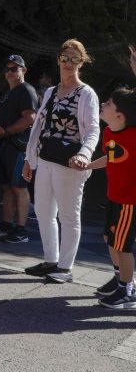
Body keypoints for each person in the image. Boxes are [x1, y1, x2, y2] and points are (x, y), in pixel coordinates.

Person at [21, 40, 99, 283]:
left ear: (81, 62)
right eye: (65, 58)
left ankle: (65, 268)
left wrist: (85, 154)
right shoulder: (50, 91)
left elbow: (93, 129)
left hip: (70, 163)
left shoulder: (86, 93)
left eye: (74, 59)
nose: (68, 63)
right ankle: (51, 261)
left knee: (68, 215)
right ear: (58, 60)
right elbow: (38, 126)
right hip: (45, 160)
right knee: (43, 212)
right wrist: (28, 158)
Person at [78, 86, 136, 308]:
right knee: (109, 239)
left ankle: (127, 291)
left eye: (109, 104)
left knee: (123, 246)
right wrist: (88, 165)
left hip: (129, 202)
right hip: (114, 197)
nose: (103, 105)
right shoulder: (109, 132)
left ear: (120, 115)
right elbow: (111, 158)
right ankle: (120, 277)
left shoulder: (134, 136)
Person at [0, 54, 38, 243]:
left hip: (19, 147)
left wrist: (6, 131)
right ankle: (7, 223)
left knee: (19, 187)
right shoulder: (9, 92)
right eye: (7, 69)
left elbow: (30, 118)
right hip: (5, 145)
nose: (9, 72)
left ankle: (22, 229)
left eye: (14, 69)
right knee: (7, 187)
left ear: (23, 70)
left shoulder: (26, 90)